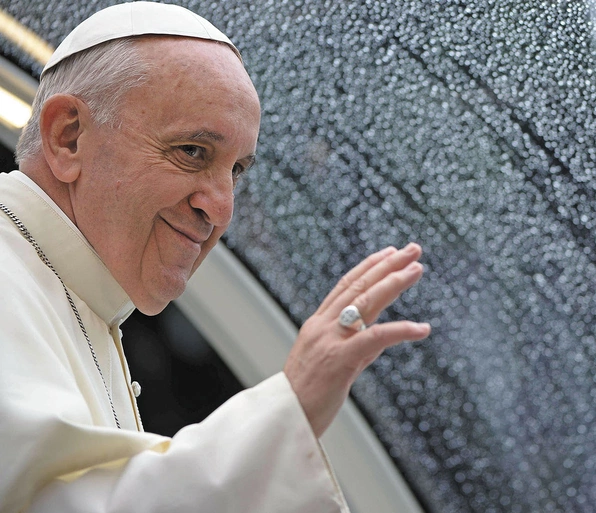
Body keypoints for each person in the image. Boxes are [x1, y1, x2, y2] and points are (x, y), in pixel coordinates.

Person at [0, 2, 431, 512]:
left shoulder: (75, 292)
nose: (221, 207)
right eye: (192, 152)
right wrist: (291, 404)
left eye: (237, 170)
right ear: (67, 136)